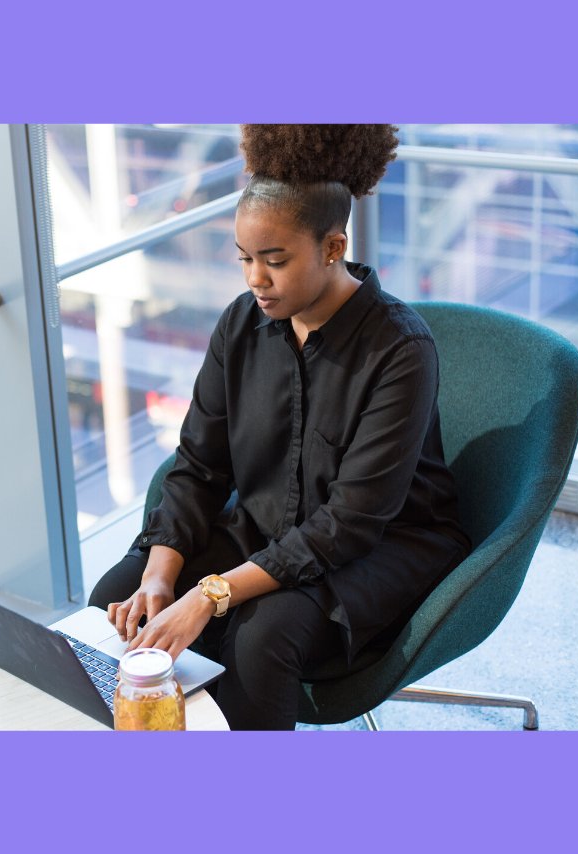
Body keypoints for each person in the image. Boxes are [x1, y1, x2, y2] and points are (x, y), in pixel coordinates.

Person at [88, 125, 472, 730]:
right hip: (267, 525)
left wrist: (208, 595)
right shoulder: (240, 325)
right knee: (116, 597)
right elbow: (198, 466)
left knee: (261, 635)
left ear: (332, 246)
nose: (254, 280)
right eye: (244, 259)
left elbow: (349, 524)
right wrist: (159, 580)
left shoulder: (401, 350)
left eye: (274, 260)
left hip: (382, 543)